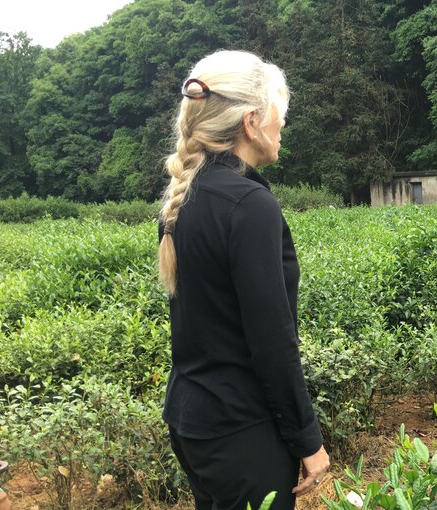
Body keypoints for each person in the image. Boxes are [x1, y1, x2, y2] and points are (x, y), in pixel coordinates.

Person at [157, 50, 329, 510]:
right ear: (252, 121)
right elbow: (271, 341)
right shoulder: (249, 204)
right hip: (242, 429)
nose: (282, 127)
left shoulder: (186, 197)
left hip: (192, 419)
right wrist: (307, 440)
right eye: (280, 116)